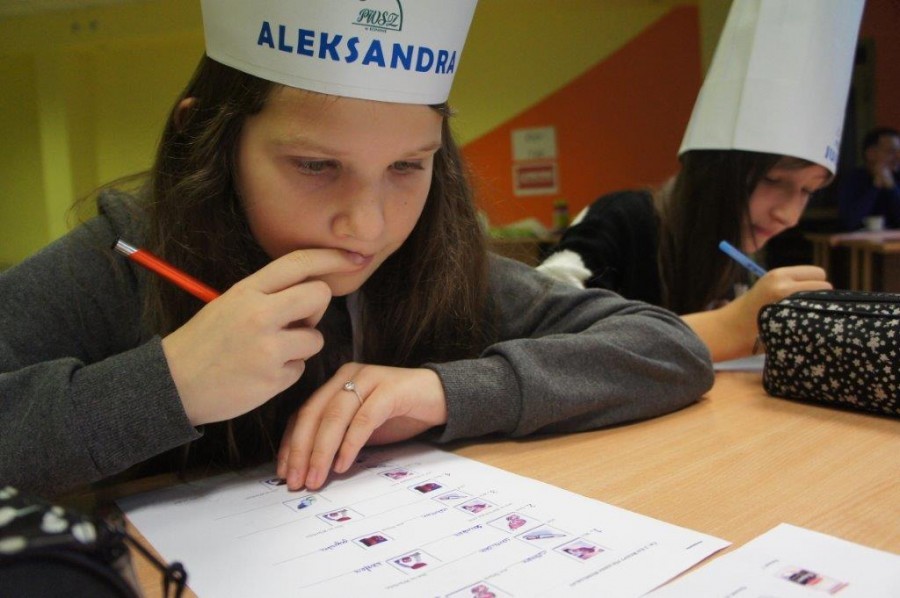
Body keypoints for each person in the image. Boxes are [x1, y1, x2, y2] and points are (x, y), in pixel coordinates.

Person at [0, 0, 713, 498]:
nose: (367, 228)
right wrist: (171, 384)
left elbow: (667, 348)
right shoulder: (117, 263)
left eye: (407, 166)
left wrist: (439, 393)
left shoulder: (433, 261)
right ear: (206, 141)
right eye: (316, 166)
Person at [538, 0, 863, 364]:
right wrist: (727, 325)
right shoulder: (622, 220)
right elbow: (536, 332)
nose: (790, 215)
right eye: (773, 180)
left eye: (808, 190)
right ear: (714, 172)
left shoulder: (737, 248)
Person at [837, 126, 900, 231]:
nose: (898, 157)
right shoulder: (853, 179)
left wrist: (892, 187)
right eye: (891, 151)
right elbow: (850, 222)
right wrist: (875, 186)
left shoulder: (897, 177)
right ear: (870, 154)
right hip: (860, 240)